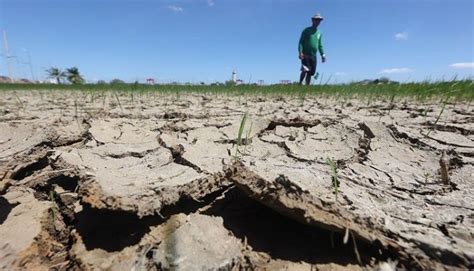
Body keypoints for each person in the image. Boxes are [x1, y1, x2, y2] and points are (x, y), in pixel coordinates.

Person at [298, 13, 326, 85]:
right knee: (305, 70)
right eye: (316, 20)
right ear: (312, 20)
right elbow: (301, 42)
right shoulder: (306, 30)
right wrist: (300, 52)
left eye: (319, 20)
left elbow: (320, 45)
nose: (318, 22)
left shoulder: (319, 33)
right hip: (305, 54)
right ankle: (300, 83)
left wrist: (323, 55)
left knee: (311, 73)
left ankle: (307, 86)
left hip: (313, 55)